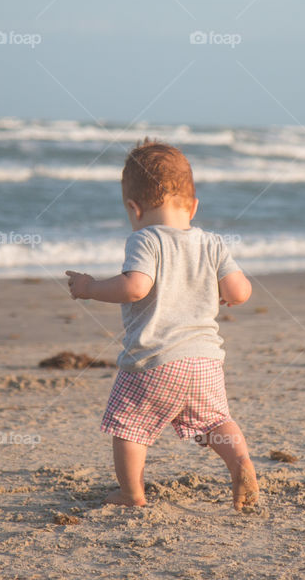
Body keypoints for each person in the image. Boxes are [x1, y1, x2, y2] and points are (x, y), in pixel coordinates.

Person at [65, 139, 259, 511]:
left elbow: (136, 287)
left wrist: (90, 287)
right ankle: (241, 464)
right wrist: (231, 295)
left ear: (133, 208)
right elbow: (239, 289)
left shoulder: (144, 239)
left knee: (128, 426)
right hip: (205, 362)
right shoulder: (212, 242)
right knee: (216, 421)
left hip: (154, 360)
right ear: (194, 205)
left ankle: (131, 494)